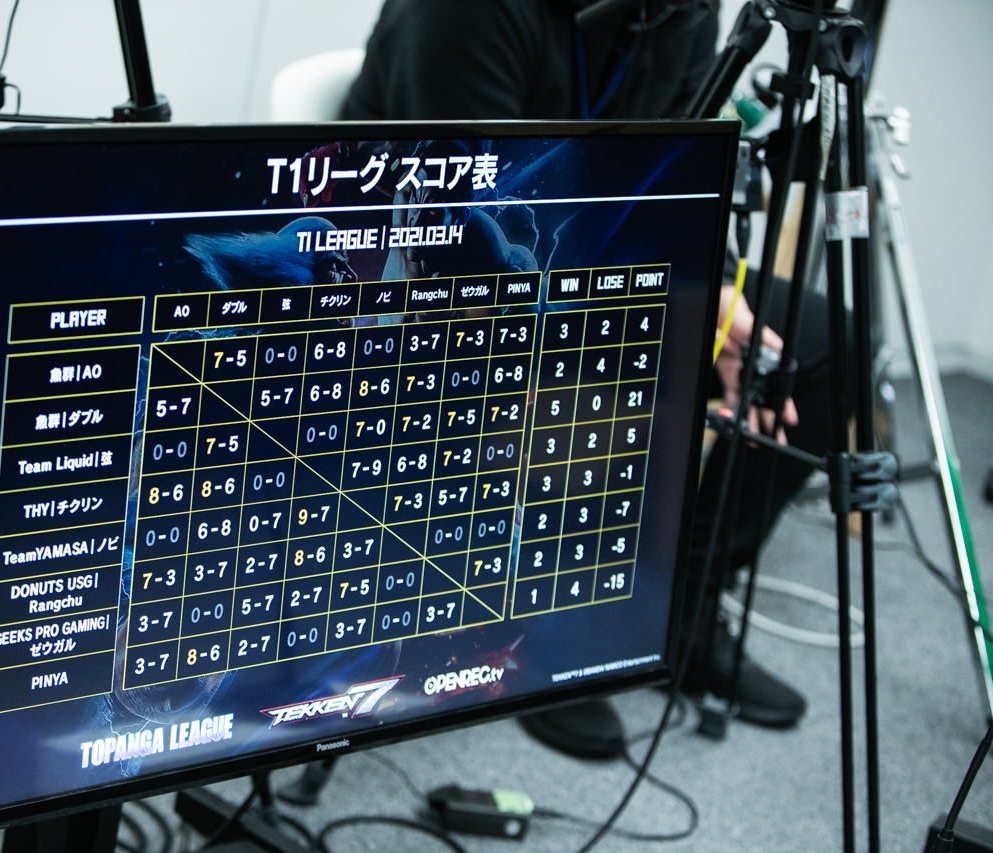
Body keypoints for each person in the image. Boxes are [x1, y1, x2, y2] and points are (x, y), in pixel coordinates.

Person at [340, 0, 827, 758]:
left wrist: (716, 310)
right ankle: (536, 628)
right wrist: (642, 328)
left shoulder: (684, 15)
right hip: (411, 283)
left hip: (582, 262)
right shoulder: (464, 13)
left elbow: (671, 183)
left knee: (815, 341)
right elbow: (467, 233)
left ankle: (680, 609)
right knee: (595, 367)